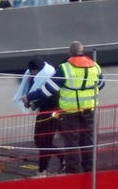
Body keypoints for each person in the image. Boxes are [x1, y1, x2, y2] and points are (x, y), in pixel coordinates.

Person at [26, 41, 104, 173]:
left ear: (70, 53)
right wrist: (85, 90)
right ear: (82, 51)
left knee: (71, 142)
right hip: (89, 110)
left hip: (70, 112)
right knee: (88, 140)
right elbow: (101, 85)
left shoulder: (65, 68)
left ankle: (73, 171)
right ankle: (90, 169)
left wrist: (29, 97)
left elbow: (47, 89)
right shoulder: (95, 66)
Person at [15, 57, 64, 177]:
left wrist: (32, 101)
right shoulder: (41, 77)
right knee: (39, 139)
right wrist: (34, 103)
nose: (32, 74)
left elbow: (49, 95)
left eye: (33, 71)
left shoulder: (48, 77)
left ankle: (42, 170)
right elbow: (43, 95)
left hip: (53, 112)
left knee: (45, 141)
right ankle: (61, 157)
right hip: (44, 111)